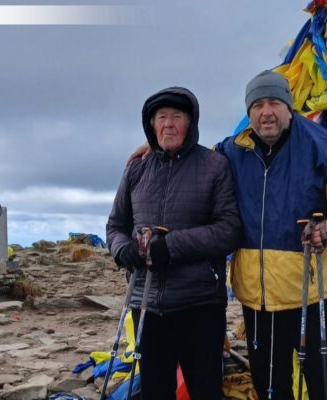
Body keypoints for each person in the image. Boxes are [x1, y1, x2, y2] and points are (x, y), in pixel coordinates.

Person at [214, 71, 327, 399]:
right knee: (270, 386)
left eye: (274, 102)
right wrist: (157, 145)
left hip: (311, 291)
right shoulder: (233, 151)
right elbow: (196, 169)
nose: (267, 112)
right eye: (258, 105)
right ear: (249, 113)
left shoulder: (317, 143)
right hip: (257, 297)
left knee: (321, 385)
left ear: (289, 108)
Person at [106, 87, 242, 400]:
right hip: (147, 303)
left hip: (200, 304)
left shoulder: (214, 165)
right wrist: (123, 250)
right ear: (151, 125)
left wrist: (171, 246)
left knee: (205, 390)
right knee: (155, 390)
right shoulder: (136, 169)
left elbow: (228, 230)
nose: (169, 124)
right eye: (162, 117)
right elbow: (115, 226)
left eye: (177, 117)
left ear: (190, 123)